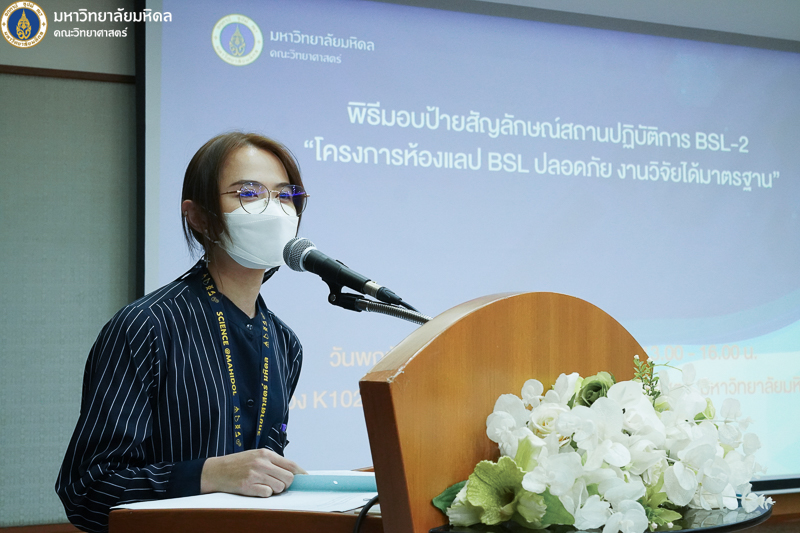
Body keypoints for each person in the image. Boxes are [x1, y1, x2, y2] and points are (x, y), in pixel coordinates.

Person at [56, 132, 309, 533]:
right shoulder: (146, 326)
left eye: (284, 195)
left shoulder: (285, 343)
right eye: (248, 193)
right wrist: (206, 475)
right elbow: (88, 492)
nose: (274, 209)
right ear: (199, 217)